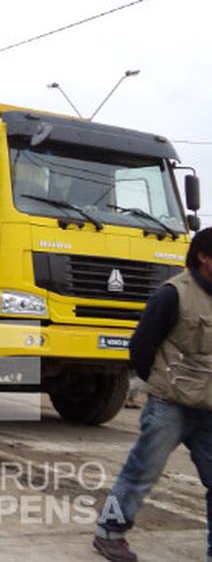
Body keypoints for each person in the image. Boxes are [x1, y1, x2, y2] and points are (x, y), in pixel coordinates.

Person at [93, 228, 212, 562]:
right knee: (141, 471)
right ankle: (109, 533)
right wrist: (161, 385)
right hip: (168, 405)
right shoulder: (172, 294)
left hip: (209, 407)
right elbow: (141, 348)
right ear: (203, 257)